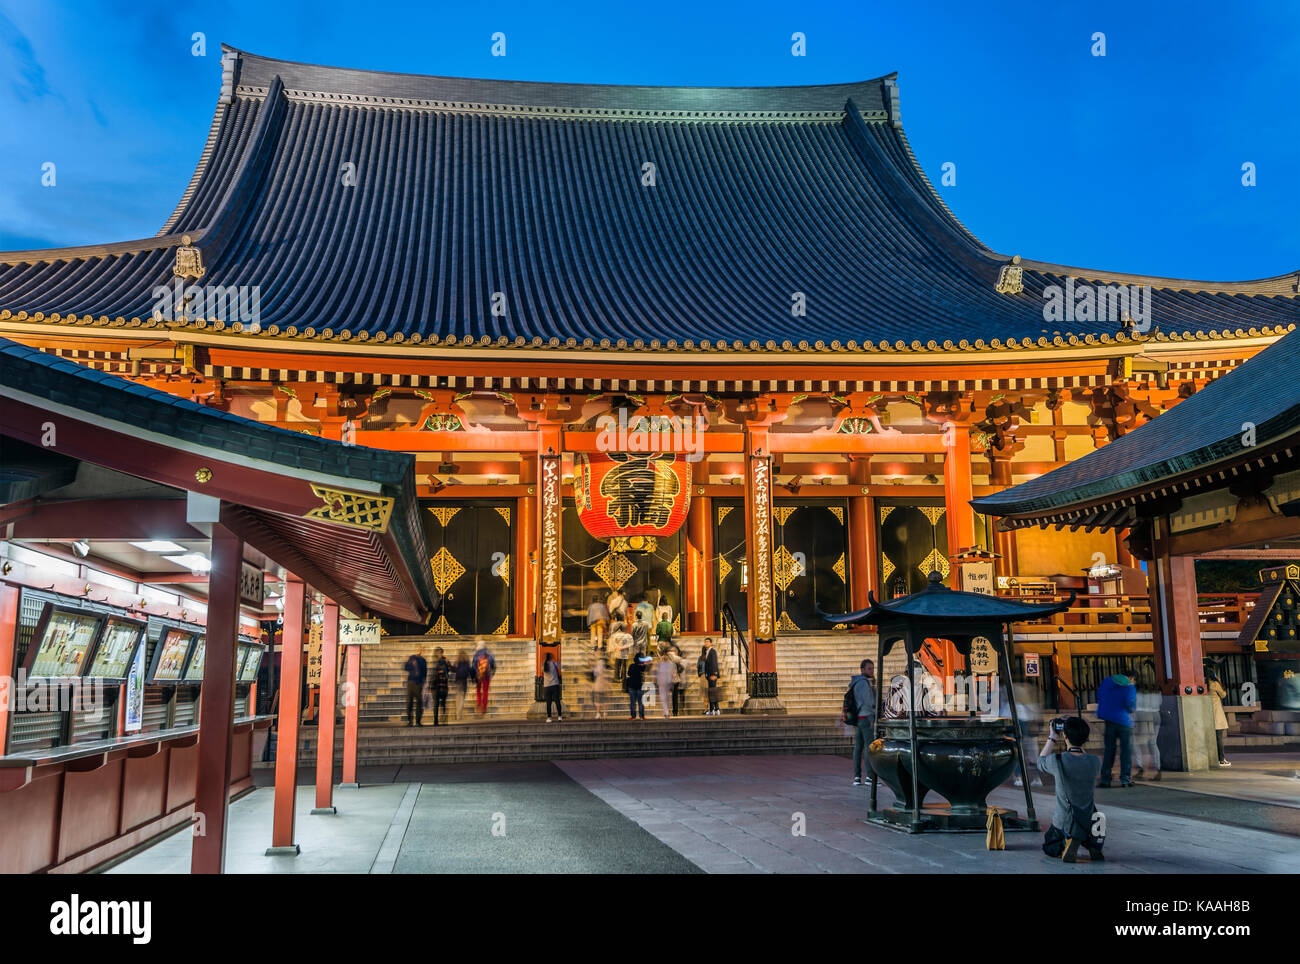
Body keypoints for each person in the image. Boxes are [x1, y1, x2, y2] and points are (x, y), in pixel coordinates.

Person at [1037, 717, 1104, 863]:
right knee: (1092, 820)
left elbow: (1040, 762)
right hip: (1089, 820)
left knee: (1049, 846)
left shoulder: (1057, 760)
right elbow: (1082, 755)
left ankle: (1070, 839)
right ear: (1086, 738)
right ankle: (1092, 843)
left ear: (1065, 735)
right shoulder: (1095, 761)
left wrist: (1052, 737)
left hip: (1065, 820)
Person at [1096, 673, 1137, 787]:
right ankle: (1125, 779)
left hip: (1109, 720)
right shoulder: (1129, 686)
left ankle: (1105, 779)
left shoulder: (1107, 682)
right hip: (1124, 721)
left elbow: (1099, 695)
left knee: (1109, 750)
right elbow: (1130, 704)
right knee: (1125, 751)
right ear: (1131, 678)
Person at [849, 659, 877, 786]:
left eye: (872, 668)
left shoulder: (854, 682)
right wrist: (872, 718)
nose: (872, 670)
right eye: (869, 668)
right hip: (866, 717)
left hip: (857, 718)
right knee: (868, 747)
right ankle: (870, 777)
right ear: (862, 670)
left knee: (858, 747)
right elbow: (868, 702)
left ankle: (856, 777)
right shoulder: (864, 683)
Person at [1208, 672, 1231, 767]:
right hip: (1216, 713)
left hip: (1207, 713)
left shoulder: (1204, 684)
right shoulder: (1214, 684)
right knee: (1219, 738)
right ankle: (1221, 759)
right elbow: (1223, 694)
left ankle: (1213, 758)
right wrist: (1219, 681)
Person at [403, 647, 428, 727]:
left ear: (422, 651)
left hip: (419, 683)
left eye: (420, 650)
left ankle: (418, 721)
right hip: (411, 682)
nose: (419, 651)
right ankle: (410, 721)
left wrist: (424, 683)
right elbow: (406, 667)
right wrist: (411, 664)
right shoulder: (411, 658)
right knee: (409, 702)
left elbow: (425, 673)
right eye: (417, 649)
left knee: (419, 703)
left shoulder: (423, 660)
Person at [470, 643, 496, 716]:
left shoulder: (476, 655)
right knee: (485, 691)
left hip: (478, 675)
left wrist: (475, 676)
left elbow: (473, 667)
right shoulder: (489, 654)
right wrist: (492, 674)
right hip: (487, 675)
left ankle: (479, 703)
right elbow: (493, 665)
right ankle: (484, 706)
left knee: (478, 690)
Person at [429, 647, 451, 726]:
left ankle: (444, 720)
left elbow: (449, 670)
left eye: (440, 652)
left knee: (443, 704)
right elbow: (432, 674)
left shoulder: (445, 661)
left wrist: (448, 663)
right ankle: (436, 720)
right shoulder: (434, 662)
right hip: (436, 686)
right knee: (436, 704)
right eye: (438, 653)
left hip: (443, 685)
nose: (439, 654)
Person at [542, 651, 564, 722]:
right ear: (551, 657)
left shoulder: (543, 665)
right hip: (555, 684)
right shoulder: (554, 663)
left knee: (548, 702)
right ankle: (560, 716)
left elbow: (541, 672)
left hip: (547, 686)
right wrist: (555, 660)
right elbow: (561, 667)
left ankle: (549, 717)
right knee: (557, 701)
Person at [701, 638, 720, 716]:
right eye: (705, 642)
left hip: (712, 675)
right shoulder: (707, 652)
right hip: (709, 675)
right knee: (711, 692)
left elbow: (714, 663)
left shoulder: (713, 651)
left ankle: (716, 709)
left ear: (711, 643)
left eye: (708, 642)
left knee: (713, 692)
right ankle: (712, 709)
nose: (706, 643)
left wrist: (715, 674)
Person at [656, 650, 676, 719]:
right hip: (665, 683)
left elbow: (673, 674)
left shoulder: (665, 664)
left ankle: (666, 712)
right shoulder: (669, 664)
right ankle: (666, 712)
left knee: (665, 698)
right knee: (665, 698)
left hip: (665, 683)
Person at [626, 653, 647, 720]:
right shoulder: (642, 667)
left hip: (632, 686)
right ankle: (642, 716)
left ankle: (633, 716)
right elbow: (644, 669)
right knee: (640, 702)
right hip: (639, 686)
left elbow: (628, 673)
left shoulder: (631, 666)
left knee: (632, 702)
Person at [669, 644, 687, 716]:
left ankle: (675, 711)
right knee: (675, 696)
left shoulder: (675, 659)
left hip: (674, 679)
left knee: (675, 696)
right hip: (675, 680)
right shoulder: (678, 659)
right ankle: (675, 711)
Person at [591, 654, 612, 719]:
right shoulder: (605, 671)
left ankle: (598, 713)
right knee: (603, 700)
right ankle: (604, 713)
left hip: (598, 686)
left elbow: (594, 676)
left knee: (598, 701)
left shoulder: (596, 670)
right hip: (603, 686)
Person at [452, 650, 471, 720]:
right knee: (462, 698)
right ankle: (459, 713)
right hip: (464, 681)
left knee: (458, 697)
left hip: (458, 680)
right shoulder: (467, 661)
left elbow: (453, 669)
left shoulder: (457, 661)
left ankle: (458, 713)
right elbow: (469, 671)